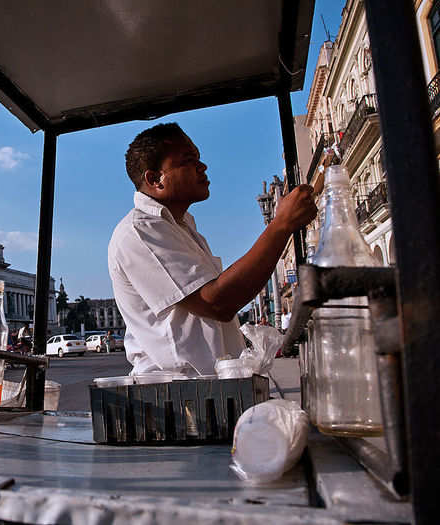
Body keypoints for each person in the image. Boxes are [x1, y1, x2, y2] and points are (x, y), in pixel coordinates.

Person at [108, 123, 317, 376]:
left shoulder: (182, 227)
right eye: (188, 160)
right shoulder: (140, 231)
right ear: (155, 180)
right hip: (178, 393)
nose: (202, 166)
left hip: (210, 387)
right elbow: (217, 302)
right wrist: (281, 225)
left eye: (199, 157)